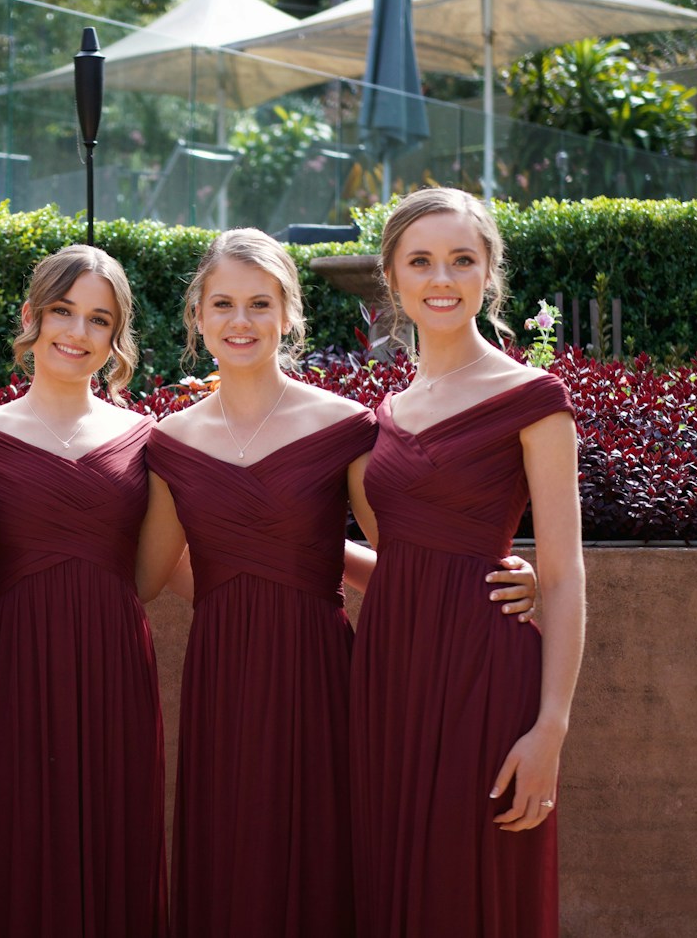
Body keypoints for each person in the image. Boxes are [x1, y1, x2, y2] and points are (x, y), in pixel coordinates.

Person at [138, 229, 539, 937]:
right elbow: (147, 569)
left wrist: (500, 575)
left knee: (325, 852)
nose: (241, 321)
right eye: (223, 304)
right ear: (196, 316)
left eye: (260, 303)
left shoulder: (344, 427)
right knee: (232, 849)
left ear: (289, 313)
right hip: (223, 672)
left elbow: (403, 552)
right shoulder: (169, 441)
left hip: (322, 667)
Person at [348, 188, 586, 937]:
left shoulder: (533, 399)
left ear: (490, 273)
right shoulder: (386, 414)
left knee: (475, 881)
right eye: (420, 261)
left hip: (484, 674)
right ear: (393, 278)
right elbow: (399, 558)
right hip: (387, 675)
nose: (441, 278)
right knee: (394, 882)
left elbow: (563, 574)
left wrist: (551, 728)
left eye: (461, 259)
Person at [0, 245, 167, 938]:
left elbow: (172, 563)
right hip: (13, 665)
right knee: (10, 840)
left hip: (115, 669)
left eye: (98, 319)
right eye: (63, 310)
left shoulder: (148, 440)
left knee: (116, 837)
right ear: (31, 316)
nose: (76, 332)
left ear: (115, 336)